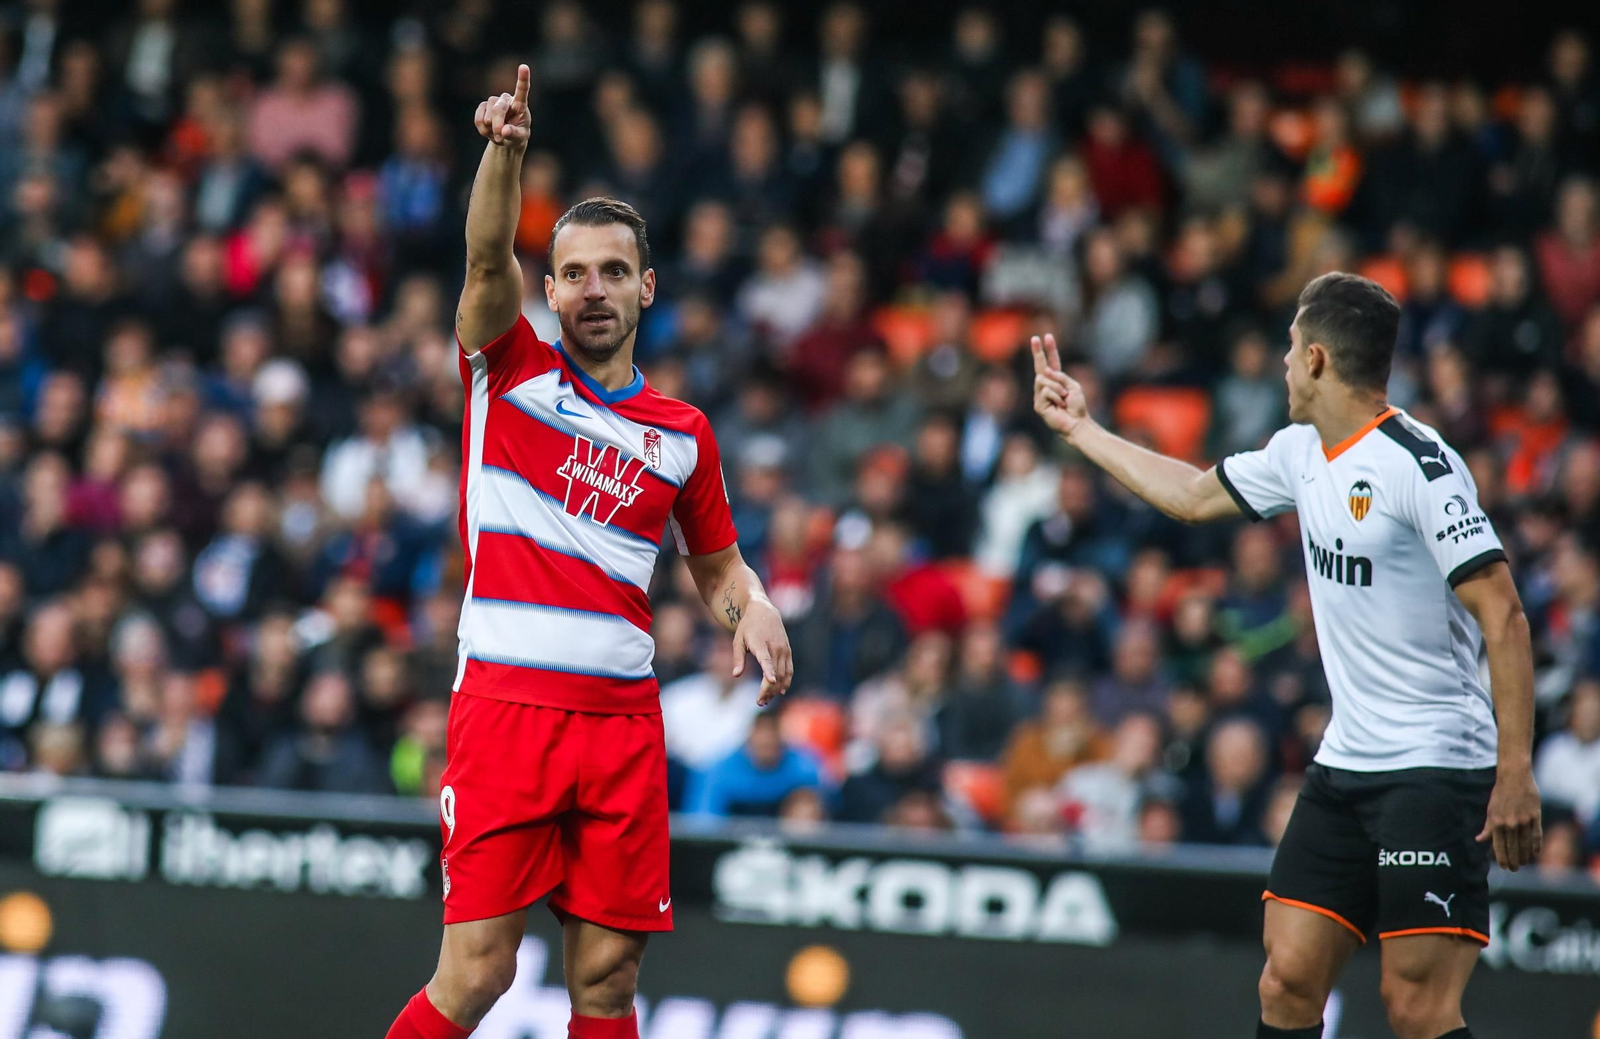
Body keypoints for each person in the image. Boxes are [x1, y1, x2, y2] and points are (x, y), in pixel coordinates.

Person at [384, 67, 795, 1039]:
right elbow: (487, 263)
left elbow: (714, 569)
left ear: (646, 286)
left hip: (620, 727)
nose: (594, 289)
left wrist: (757, 604)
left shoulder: (683, 432)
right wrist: (505, 153)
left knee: (607, 982)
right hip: (507, 712)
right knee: (478, 972)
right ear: (552, 288)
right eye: (573, 272)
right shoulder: (508, 371)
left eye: (614, 270)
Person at [1030, 271, 1541, 1039]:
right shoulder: (1301, 451)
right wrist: (1084, 431)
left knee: (1417, 1008)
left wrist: (1516, 769)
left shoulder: (1419, 466)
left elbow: (1504, 615)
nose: (1280, 361)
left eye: (1291, 346)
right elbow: (1195, 495)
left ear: (1319, 361)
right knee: (1287, 979)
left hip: (1436, 765)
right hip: (1347, 761)